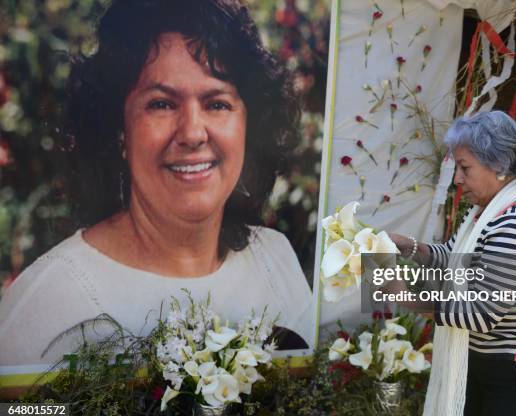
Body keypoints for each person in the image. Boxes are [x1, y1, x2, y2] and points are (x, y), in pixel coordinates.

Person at [0, 0, 312, 367]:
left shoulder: (274, 261)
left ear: (249, 125)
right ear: (119, 130)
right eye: (162, 104)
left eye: (217, 104)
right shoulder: (52, 304)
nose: (193, 133)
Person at [389, 111, 516, 416]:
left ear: (499, 166)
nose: (457, 178)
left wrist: (404, 296)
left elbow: (479, 314)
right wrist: (412, 247)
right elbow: (453, 256)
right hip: (488, 364)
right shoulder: (486, 210)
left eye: (465, 168)